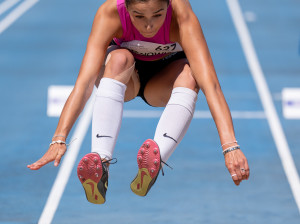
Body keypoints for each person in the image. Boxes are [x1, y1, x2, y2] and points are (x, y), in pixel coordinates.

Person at [27, 0, 250, 204]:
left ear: (169, 5)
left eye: (158, 14)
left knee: (193, 74)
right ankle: (101, 164)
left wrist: (230, 146)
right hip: (126, 79)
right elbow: (84, 83)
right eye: (139, 16)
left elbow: (210, 83)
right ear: (126, 7)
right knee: (118, 58)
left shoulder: (182, 15)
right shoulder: (109, 13)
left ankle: (154, 161)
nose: (149, 26)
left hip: (163, 83)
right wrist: (58, 138)